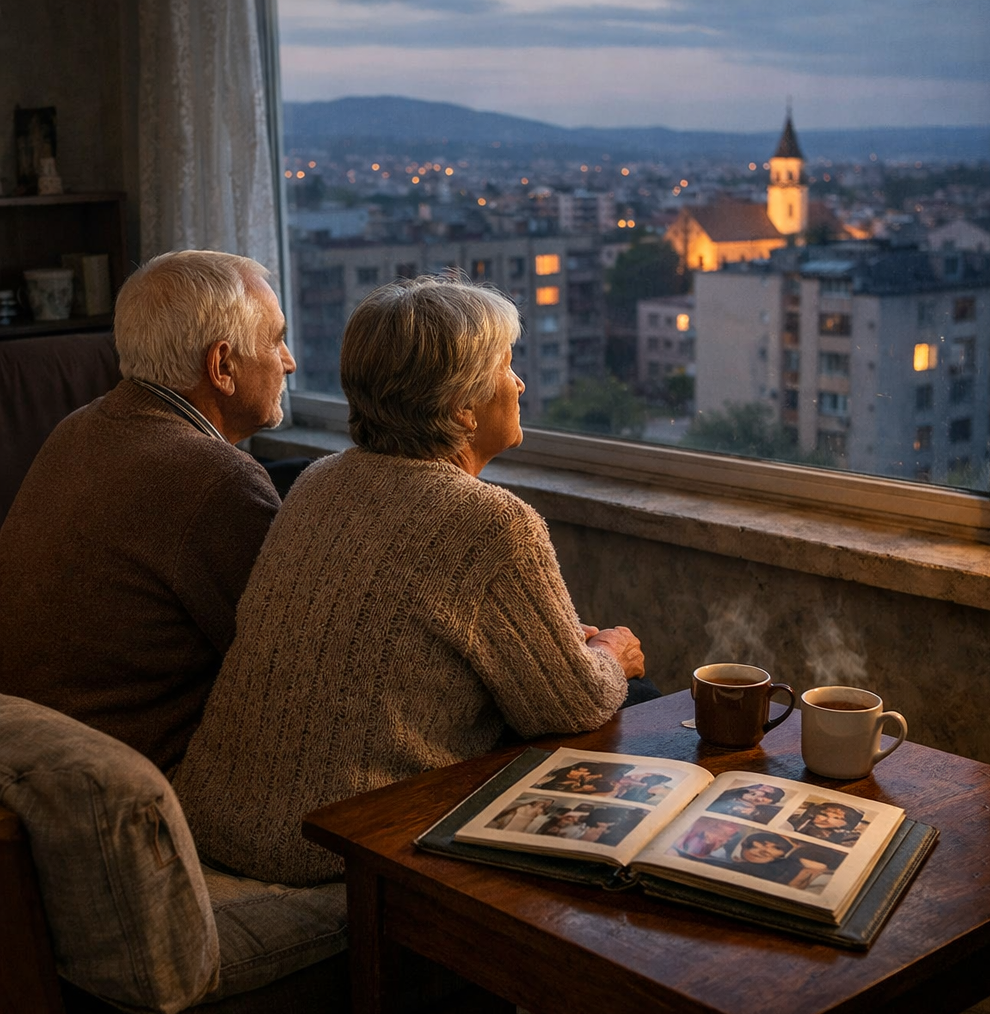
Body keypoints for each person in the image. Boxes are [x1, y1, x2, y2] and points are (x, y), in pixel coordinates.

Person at [174, 275, 646, 885]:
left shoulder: (319, 482)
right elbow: (573, 703)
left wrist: (552, 650)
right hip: (333, 847)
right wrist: (610, 652)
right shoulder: (491, 523)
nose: (521, 383)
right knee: (640, 700)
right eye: (508, 366)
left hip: (216, 822)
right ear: (461, 408)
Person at [0, 250, 294, 774]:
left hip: (30, 760)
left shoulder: (79, 425)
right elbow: (285, 666)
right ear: (222, 366)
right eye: (276, 340)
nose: (288, 360)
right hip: (134, 785)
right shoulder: (216, 479)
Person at [786, 801, 864, 847]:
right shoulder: (794, 822)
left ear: (847, 824)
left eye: (836, 818)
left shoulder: (850, 838)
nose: (826, 819)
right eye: (823, 815)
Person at [706, 784, 786, 824]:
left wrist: (754, 812)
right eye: (754, 791)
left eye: (767, 795)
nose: (759, 794)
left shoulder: (765, 812)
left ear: (771, 802)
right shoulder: (728, 795)